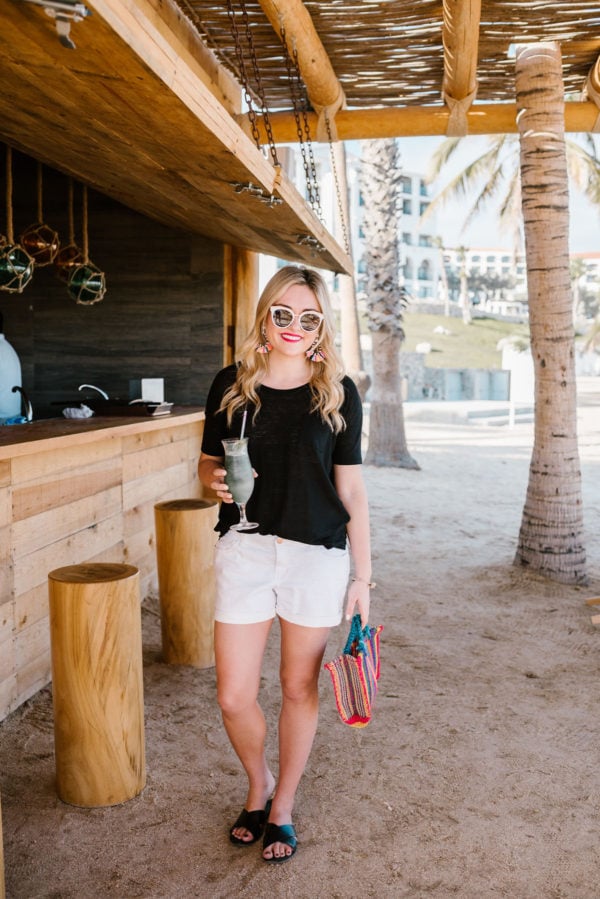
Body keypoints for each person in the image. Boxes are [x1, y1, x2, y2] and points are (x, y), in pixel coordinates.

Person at [198, 264, 372, 864]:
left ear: (321, 327)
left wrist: (362, 578)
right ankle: (259, 782)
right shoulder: (231, 385)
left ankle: (283, 807)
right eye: (283, 314)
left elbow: (351, 490)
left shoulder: (338, 392)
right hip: (245, 547)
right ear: (265, 316)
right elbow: (206, 464)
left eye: (309, 318)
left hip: (315, 555)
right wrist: (214, 481)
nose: (294, 326)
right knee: (232, 695)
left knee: (298, 686)